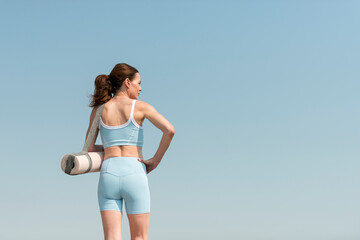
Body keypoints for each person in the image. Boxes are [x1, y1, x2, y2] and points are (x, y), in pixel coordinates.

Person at [85, 63, 175, 240]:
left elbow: (89, 148)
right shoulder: (140, 107)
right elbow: (169, 130)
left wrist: (111, 148)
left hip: (108, 174)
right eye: (138, 83)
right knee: (139, 237)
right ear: (127, 82)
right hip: (134, 172)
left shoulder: (98, 110)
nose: (140, 88)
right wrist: (155, 160)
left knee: (111, 237)